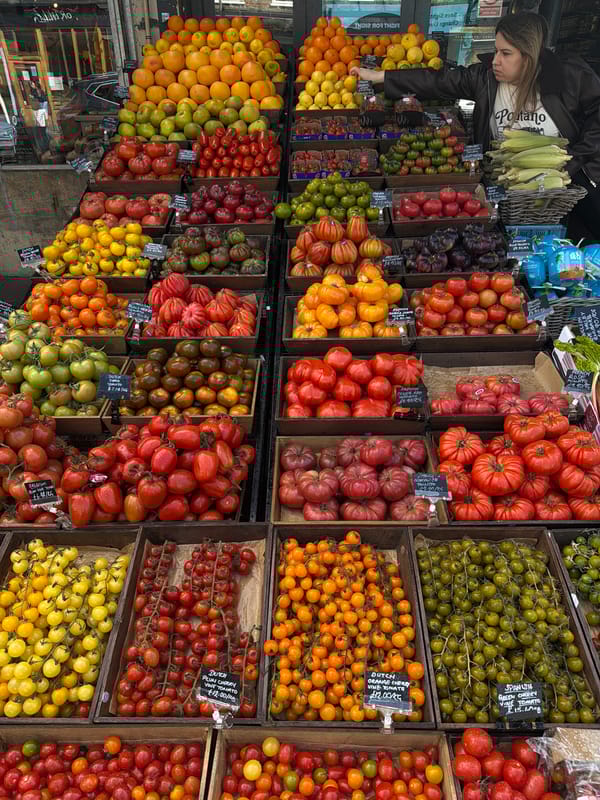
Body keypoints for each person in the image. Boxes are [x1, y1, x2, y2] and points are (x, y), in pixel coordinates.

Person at [352, 13, 600, 239]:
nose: (495, 61)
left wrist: (576, 157)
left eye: (506, 53)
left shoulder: (568, 77)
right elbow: (438, 81)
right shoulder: (485, 79)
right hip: (504, 189)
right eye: (495, 51)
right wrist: (382, 77)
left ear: (529, 54)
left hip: (558, 195)